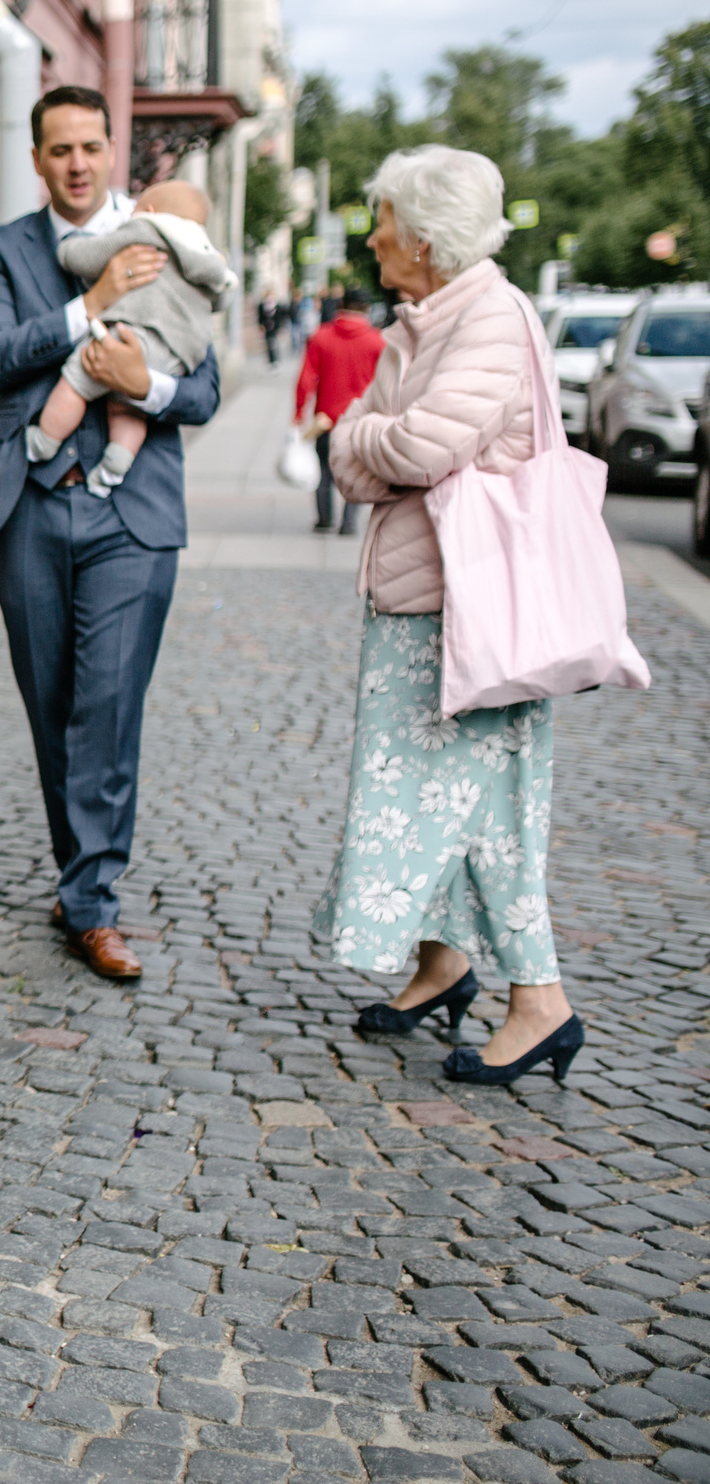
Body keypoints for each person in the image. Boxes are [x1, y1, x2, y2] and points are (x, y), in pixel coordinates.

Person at [313, 146, 584, 1087]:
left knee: (485, 809)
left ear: (423, 236)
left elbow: (415, 444)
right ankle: (443, 962)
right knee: (425, 799)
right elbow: (360, 456)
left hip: (474, 612)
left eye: (382, 215)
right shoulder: (423, 320)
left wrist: (364, 437)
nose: (373, 230)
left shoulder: (492, 320)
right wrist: (371, 441)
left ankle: (540, 999)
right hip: (423, 602)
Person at [0, 84, 222, 982]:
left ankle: (94, 900)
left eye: (90, 147)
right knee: (52, 703)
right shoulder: (1, 250)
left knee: (107, 705)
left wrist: (144, 385)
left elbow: (205, 388)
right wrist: (91, 303)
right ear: (36, 159)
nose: (75, 163)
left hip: (131, 512)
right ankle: (81, 879)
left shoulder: (172, 237)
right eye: (58, 149)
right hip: (28, 503)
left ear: (114, 151)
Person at [35, 179, 236, 499]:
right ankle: (115, 466)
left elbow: (90, 256)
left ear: (150, 211)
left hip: (134, 334)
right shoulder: (207, 255)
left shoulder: (146, 231)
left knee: (77, 379)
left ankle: (43, 441)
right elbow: (223, 299)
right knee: (128, 407)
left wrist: (68, 249)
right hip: (179, 355)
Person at [294, 304, 387, 534]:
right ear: (366, 309)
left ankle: (325, 519)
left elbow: (306, 377)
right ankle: (349, 523)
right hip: (360, 419)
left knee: (324, 471)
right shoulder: (377, 341)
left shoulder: (321, 336)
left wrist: (298, 411)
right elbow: (386, 383)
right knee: (356, 471)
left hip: (326, 418)